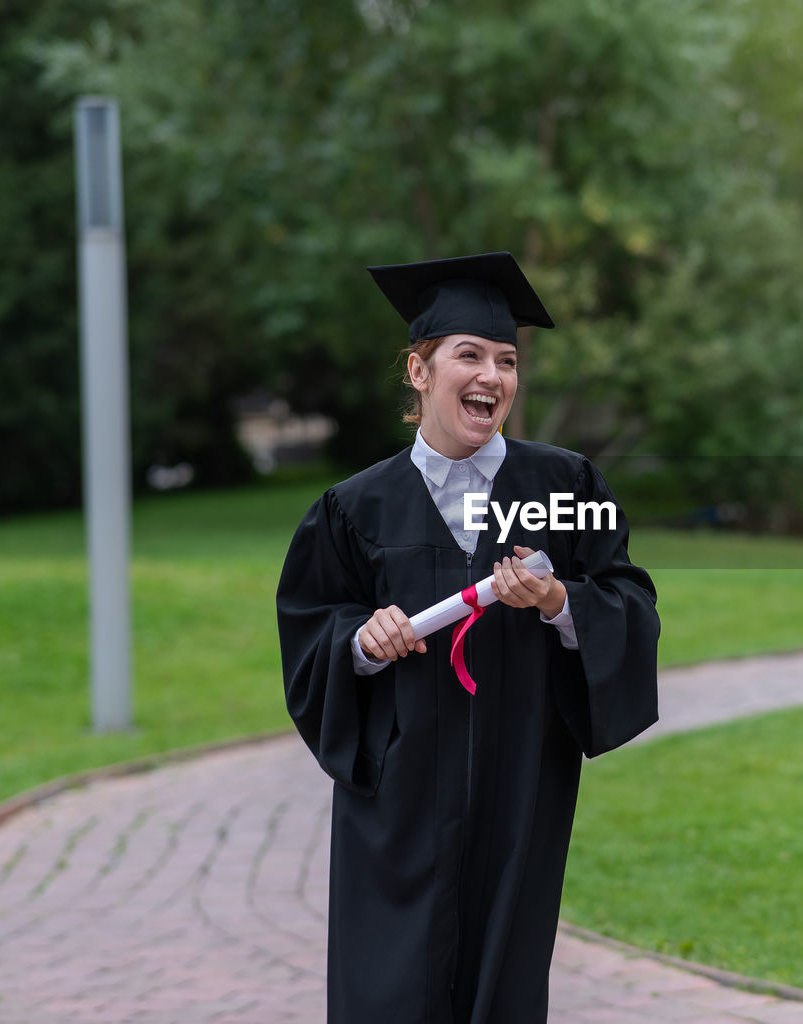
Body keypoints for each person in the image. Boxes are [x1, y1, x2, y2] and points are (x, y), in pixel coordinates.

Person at [276, 251, 660, 1024]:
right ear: (420, 373)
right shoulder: (354, 509)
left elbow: (627, 602)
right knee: (390, 989)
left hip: (519, 785)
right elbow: (312, 630)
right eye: (470, 355)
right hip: (400, 795)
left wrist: (558, 601)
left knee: (504, 984)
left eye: (507, 360)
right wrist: (361, 638)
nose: (492, 375)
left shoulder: (566, 488)